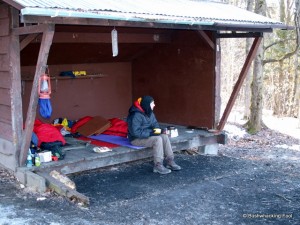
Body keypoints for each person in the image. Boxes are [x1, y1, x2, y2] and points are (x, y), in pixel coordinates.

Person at [127, 95, 181, 175]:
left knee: (164, 136)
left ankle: (170, 160)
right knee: (157, 139)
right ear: (147, 104)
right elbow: (135, 132)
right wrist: (151, 133)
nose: (154, 105)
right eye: (152, 103)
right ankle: (158, 165)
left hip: (147, 135)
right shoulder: (135, 115)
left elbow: (155, 124)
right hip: (136, 139)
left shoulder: (149, 112)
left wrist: (159, 131)